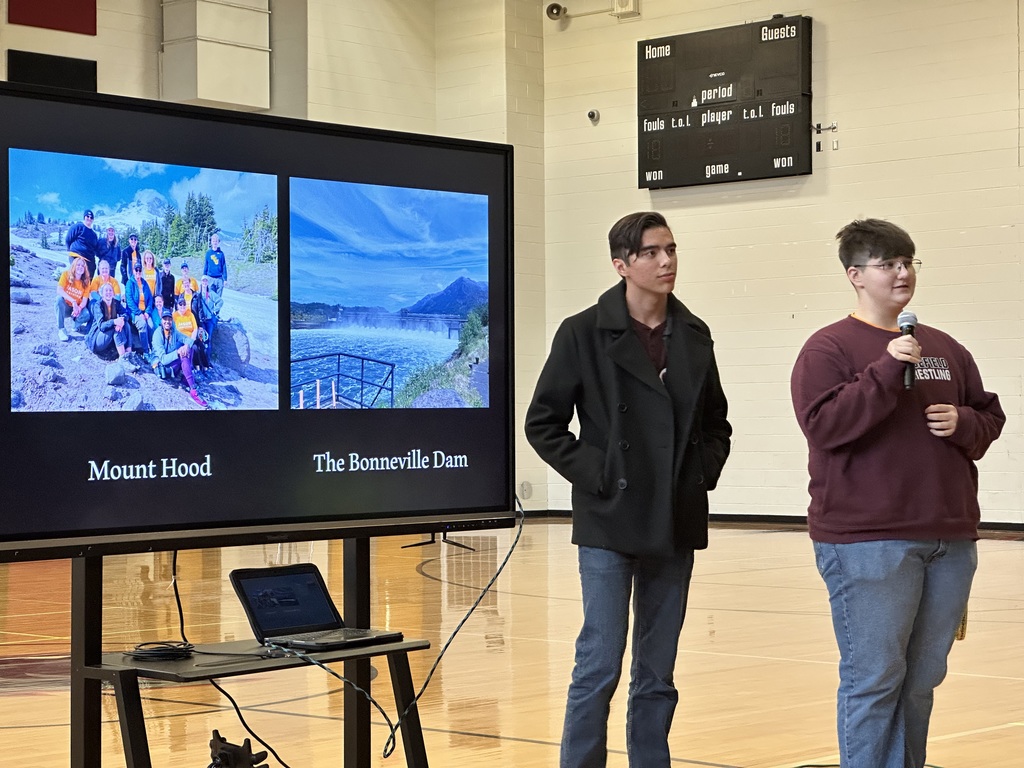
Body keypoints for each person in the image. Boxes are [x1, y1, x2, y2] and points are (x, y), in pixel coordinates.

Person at [789, 218, 1005, 768]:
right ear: (855, 275)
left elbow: (988, 415)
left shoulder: (941, 348)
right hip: (869, 542)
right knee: (875, 679)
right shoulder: (830, 348)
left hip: (948, 538)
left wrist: (963, 422)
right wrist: (886, 370)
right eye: (888, 264)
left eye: (908, 261)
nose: (902, 273)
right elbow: (825, 426)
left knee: (922, 679)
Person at [524, 211, 732, 768]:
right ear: (622, 265)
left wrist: (698, 475)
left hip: (675, 517)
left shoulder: (694, 334)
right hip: (610, 518)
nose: (667, 261)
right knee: (599, 662)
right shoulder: (582, 331)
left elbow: (717, 425)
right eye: (652, 252)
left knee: (658, 670)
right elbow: (542, 423)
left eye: (671, 249)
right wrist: (600, 474)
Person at [151, 308, 208, 408]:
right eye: (165, 319)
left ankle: (186, 381)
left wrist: (186, 346)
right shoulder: (157, 334)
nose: (167, 322)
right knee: (182, 354)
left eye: (169, 319)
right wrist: (178, 352)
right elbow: (163, 360)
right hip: (163, 369)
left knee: (188, 349)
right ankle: (192, 389)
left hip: (171, 364)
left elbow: (188, 339)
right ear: (161, 321)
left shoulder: (174, 332)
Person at [85, 282, 136, 370]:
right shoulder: (97, 305)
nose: (108, 292)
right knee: (115, 327)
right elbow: (101, 326)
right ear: (101, 293)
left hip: (108, 335)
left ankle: (129, 353)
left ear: (113, 292)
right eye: (106, 290)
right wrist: (115, 321)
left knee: (126, 324)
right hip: (97, 338)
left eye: (110, 290)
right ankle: (123, 358)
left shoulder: (115, 302)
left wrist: (122, 320)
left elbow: (126, 313)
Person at [56, 256, 92, 341]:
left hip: (76, 309)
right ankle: (61, 329)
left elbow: (84, 301)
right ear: (74, 266)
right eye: (78, 265)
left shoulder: (86, 281)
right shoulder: (66, 274)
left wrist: (79, 308)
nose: (80, 267)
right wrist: (73, 301)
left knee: (86, 314)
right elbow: (59, 290)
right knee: (58, 300)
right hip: (65, 307)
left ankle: (75, 324)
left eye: (82, 266)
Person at [172, 294, 209, 372]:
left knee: (200, 347)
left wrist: (191, 340)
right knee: (191, 349)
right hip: (180, 339)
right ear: (177, 306)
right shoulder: (174, 315)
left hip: (191, 338)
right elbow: (173, 330)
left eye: (184, 304)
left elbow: (195, 329)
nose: (182, 306)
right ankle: (191, 367)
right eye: (180, 304)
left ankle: (204, 367)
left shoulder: (190, 314)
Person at [124, 261, 155, 354]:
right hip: (135, 312)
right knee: (142, 324)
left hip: (145, 311)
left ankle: (153, 349)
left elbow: (150, 299)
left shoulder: (144, 283)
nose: (138, 272)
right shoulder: (130, 283)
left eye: (139, 270)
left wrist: (147, 312)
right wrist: (139, 313)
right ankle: (145, 351)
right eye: (136, 270)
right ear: (133, 271)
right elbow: (129, 302)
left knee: (151, 325)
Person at [65, 209, 99, 274]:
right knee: (76, 276)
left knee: (88, 279)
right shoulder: (78, 227)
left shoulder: (94, 235)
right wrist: (71, 250)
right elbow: (68, 239)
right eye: (87, 216)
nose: (89, 218)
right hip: (76, 255)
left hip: (89, 259)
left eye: (91, 217)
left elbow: (95, 248)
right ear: (84, 217)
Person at [196, 274, 223, 344]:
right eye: (203, 281)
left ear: (208, 283)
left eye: (206, 281)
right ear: (201, 282)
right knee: (201, 339)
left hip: (209, 320)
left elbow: (220, 301)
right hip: (201, 320)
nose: (204, 283)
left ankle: (208, 354)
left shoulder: (211, 293)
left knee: (208, 339)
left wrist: (215, 310)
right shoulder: (198, 293)